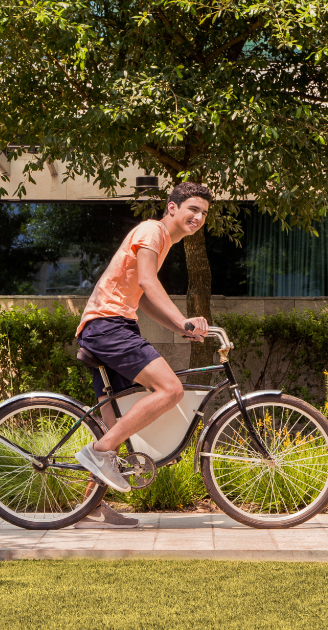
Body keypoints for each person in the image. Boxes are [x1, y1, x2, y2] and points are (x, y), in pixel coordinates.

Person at [71, 182, 211, 529]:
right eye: (193, 208)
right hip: (108, 325)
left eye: (205, 213)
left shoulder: (162, 241)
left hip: (114, 325)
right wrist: (183, 318)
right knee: (170, 390)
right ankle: (98, 454)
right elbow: (148, 281)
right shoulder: (153, 230)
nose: (198, 217)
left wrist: (179, 328)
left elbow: (143, 296)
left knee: (115, 424)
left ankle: (88, 507)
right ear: (173, 207)